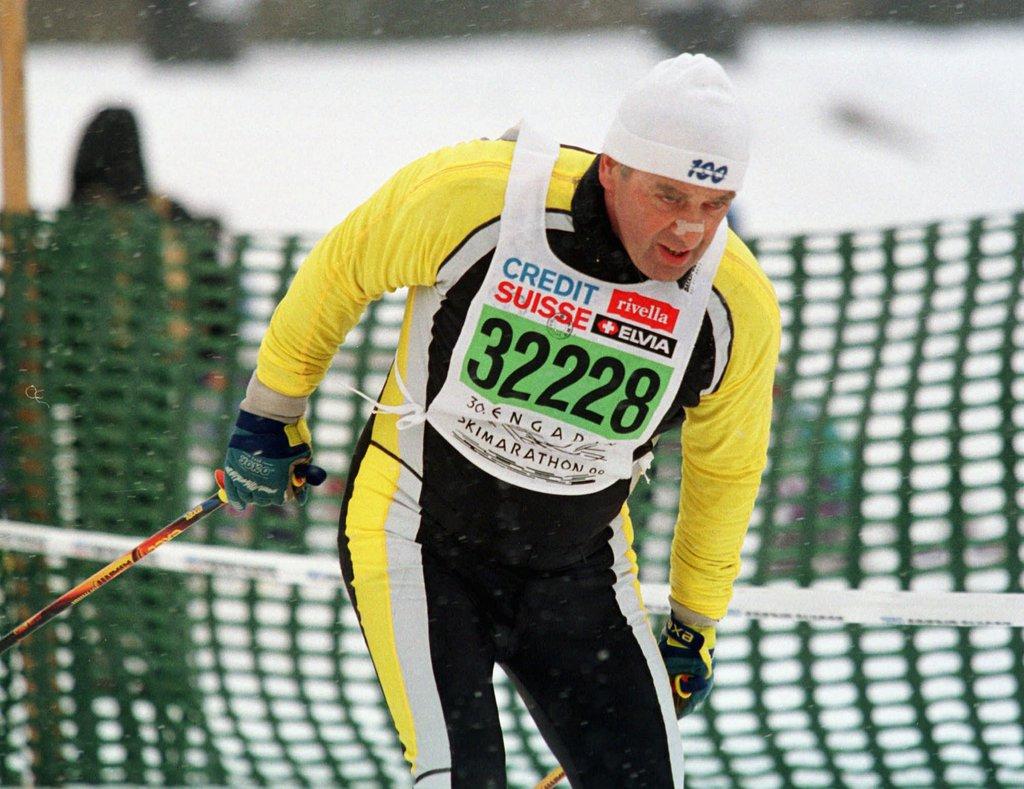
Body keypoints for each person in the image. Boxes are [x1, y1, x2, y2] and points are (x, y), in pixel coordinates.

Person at [223, 53, 780, 787]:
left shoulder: (734, 303)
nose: (688, 229)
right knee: (463, 775)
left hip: (576, 567)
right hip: (417, 537)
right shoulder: (478, 195)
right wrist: (272, 409)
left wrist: (695, 619)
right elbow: (344, 266)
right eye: (669, 194)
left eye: (713, 205)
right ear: (611, 168)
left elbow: (727, 464)